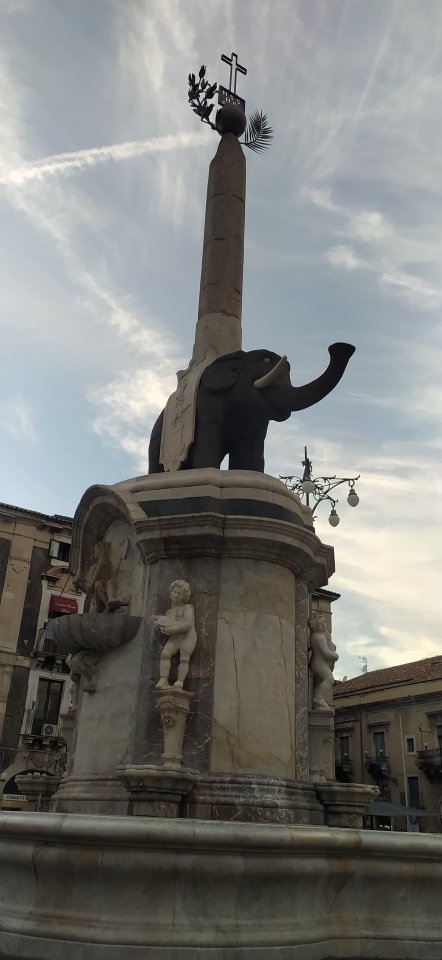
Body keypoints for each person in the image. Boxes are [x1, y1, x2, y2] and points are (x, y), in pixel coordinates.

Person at [153, 580, 197, 690]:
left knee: (184, 658)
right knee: (165, 654)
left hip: (187, 637)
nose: (175, 595)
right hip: (174, 638)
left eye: (179, 593)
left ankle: (180, 681)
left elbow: (188, 624)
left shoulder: (188, 608)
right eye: (174, 592)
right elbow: (169, 624)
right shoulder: (169, 612)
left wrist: (172, 629)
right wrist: (160, 623)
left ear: (184, 596)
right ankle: (163, 679)